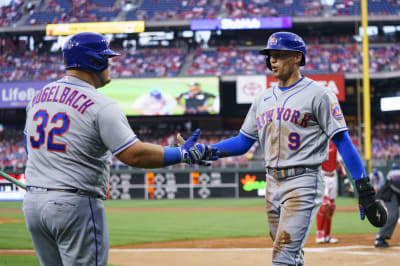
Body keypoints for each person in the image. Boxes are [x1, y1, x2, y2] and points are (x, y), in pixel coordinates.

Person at [22, 32, 217, 266]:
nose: (110, 63)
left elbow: (29, 148)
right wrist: (182, 153)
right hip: (73, 205)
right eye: (106, 57)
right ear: (95, 62)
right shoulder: (101, 104)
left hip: (33, 204)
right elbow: (134, 154)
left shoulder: (38, 98)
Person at [206, 31, 387, 266]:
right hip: (272, 183)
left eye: (280, 55)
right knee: (290, 255)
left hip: (304, 181)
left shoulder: (320, 94)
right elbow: (242, 142)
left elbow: (342, 141)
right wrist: (207, 150)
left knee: (282, 257)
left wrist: (364, 190)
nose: (272, 60)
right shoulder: (262, 99)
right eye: (270, 55)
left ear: (297, 58)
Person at [315, 141, 347, 244]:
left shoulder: (335, 145)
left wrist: (345, 178)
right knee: (325, 204)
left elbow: (339, 163)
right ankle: (319, 233)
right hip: (322, 177)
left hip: (333, 177)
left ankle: (327, 235)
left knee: (331, 207)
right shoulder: (318, 144)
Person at [374, 163, 400, 247]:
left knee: (395, 215)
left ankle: (384, 236)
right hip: (389, 194)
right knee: (393, 215)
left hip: (393, 194)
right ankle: (379, 237)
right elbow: (393, 186)